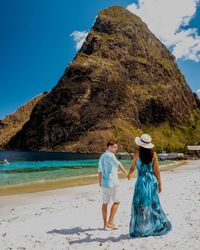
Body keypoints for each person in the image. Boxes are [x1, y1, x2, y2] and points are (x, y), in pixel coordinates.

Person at [128, 134, 172, 237]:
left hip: (141, 181)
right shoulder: (154, 154)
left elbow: (133, 167)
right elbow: (156, 170)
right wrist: (160, 183)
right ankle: (155, 226)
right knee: (153, 204)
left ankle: (140, 229)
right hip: (152, 180)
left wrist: (129, 174)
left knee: (140, 204)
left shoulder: (136, 153)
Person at [98, 140, 128, 230]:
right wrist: (126, 173)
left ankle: (104, 225)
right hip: (113, 182)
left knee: (105, 203)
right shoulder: (110, 155)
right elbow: (118, 164)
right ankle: (110, 222)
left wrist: (100, 182)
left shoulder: (102, 156)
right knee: (116, 202)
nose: (116, 148)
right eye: (114, 147)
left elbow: (99, 170)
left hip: (104, 183)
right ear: (109, 147)